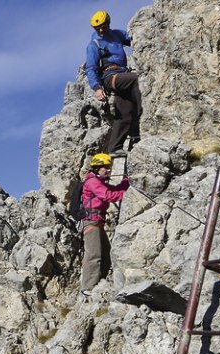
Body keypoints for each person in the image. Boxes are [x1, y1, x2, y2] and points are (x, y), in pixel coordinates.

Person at [86, 10, 139, 154]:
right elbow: (90, 68)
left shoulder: (116, 35)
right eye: (98, 28)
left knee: (125, 112)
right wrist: (97, 88)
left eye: (103, 26)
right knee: (137, 79)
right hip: (110, 77)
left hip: (122, 75)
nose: (101, 30)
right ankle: (141, 116)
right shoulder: (94, 45)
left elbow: (134, 39)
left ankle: (115, 147)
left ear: (108, 23)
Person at [79, 153, 130, 293]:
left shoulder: (99, 182)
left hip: (97, 222)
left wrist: (126, 181)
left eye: (109, 167)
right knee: (94, 255)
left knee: (106, 255)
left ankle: (97, 284)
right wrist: (129, 194)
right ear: (96, 168)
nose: (108, 170)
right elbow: (108, 195)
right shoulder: (92, 182)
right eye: (105, 168)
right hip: (91, 222)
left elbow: (113, 190)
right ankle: (88, 288)